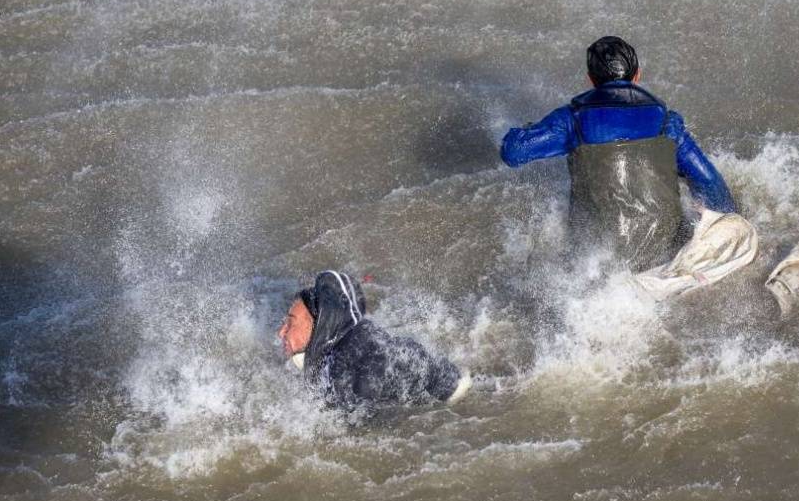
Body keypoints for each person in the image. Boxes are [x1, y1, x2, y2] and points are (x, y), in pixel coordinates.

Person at [500, 36, 738, 269]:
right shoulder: (667, 121)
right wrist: (732, 221)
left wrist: (525, 129)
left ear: (591, 80)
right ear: (637, 75)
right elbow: (708, 183)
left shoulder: (571, 118)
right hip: (665, 251)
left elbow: (513, 153)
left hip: (599, 261)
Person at [278, 270, 471, 410]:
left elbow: (404, 356)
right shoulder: (335, 349)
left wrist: (448, 386)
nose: (281, 332)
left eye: (290, 322)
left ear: (320, 324)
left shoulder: (362, 360)